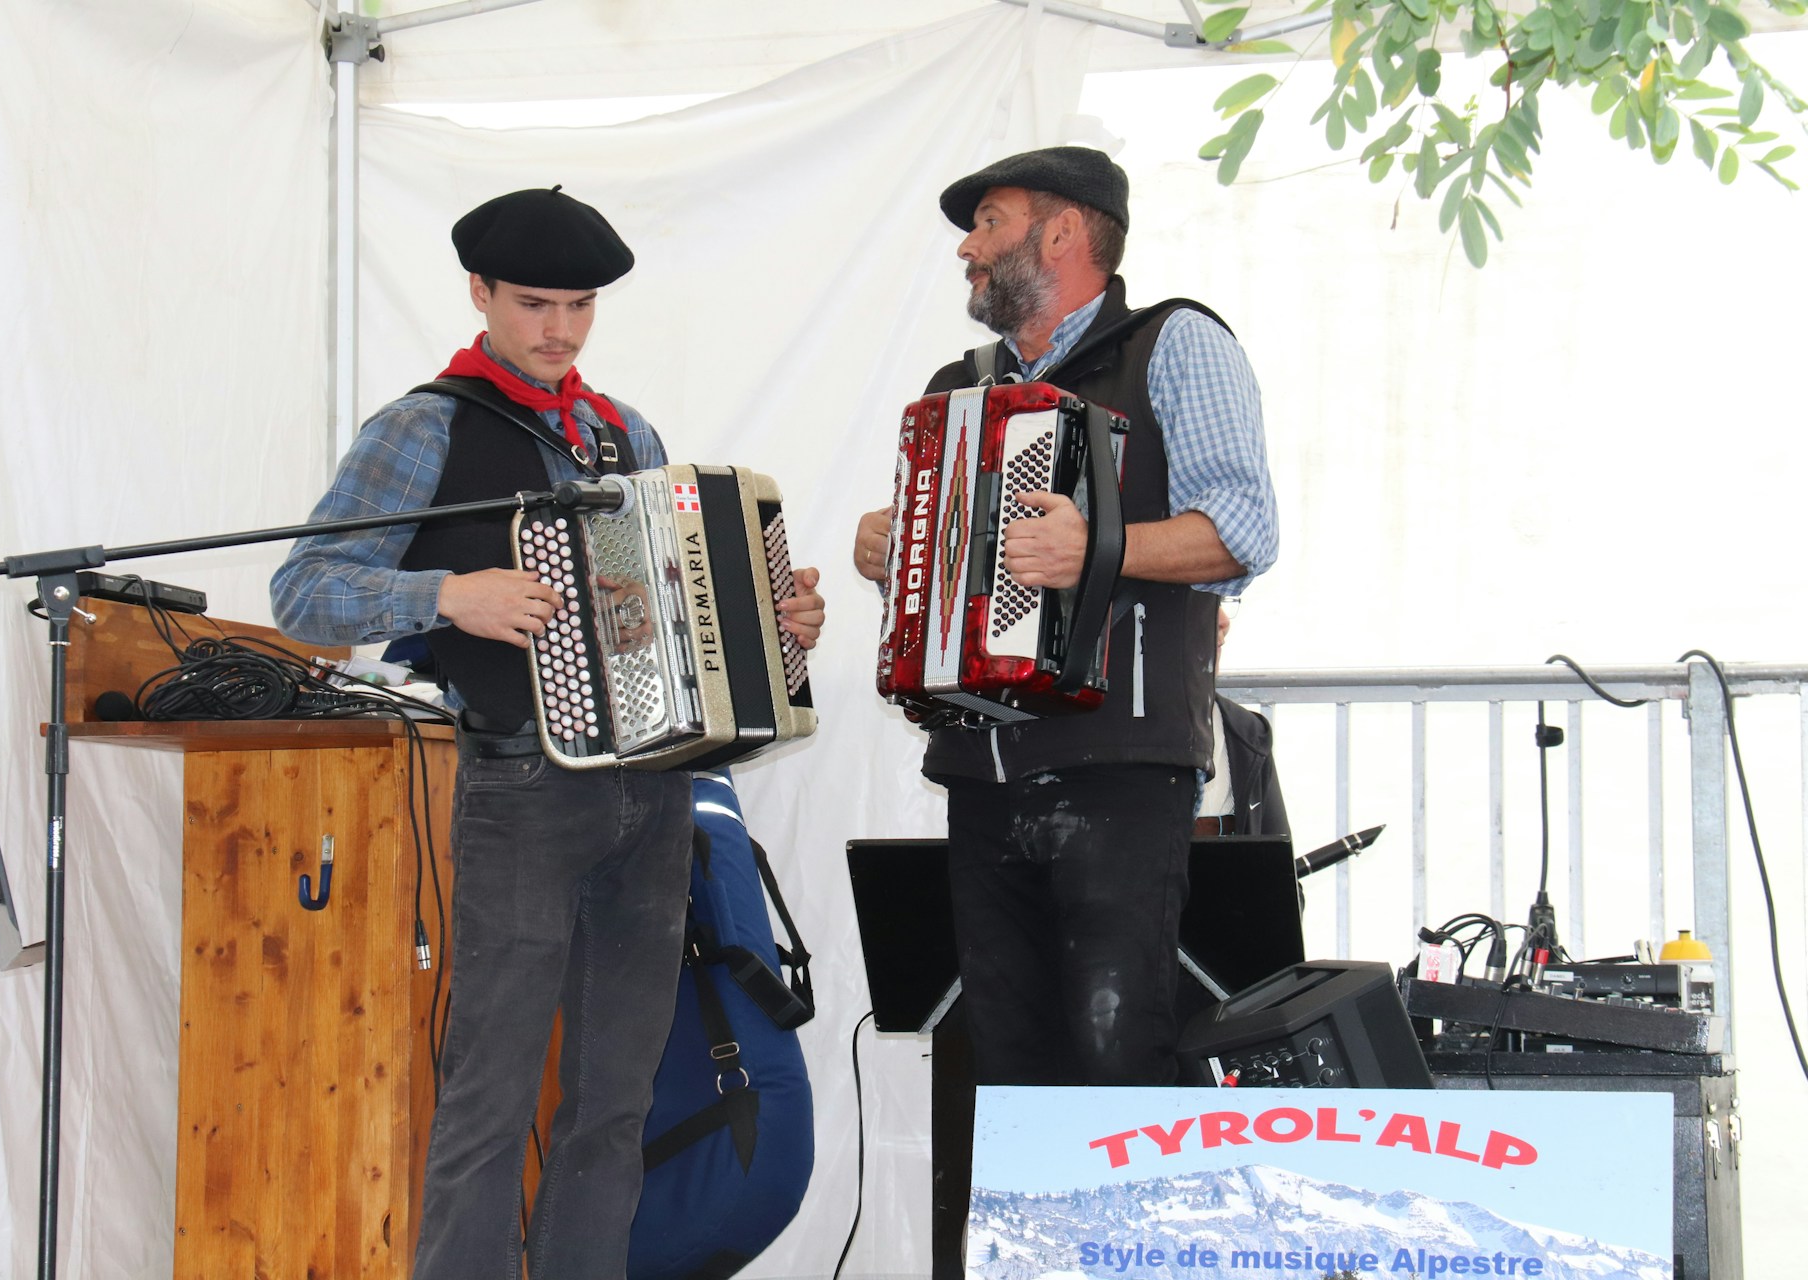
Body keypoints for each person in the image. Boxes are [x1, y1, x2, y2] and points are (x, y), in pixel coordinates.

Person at [271, 186, 825, 1279]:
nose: (558, 329)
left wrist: (780, 623)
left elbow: (682, 608)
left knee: (615, 1099)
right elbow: (303, 591)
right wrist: (448, 594)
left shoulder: (628, 432)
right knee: (489, 1094)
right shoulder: (424, 423)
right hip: (520, 790)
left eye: (578, 306)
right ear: (479, 294)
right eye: (533, 303)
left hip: (654, 794)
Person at [855, 146, 1277, 1088]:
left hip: (1120, 765)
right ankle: (1023, 1241)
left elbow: (1242, 532)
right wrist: (892, 546)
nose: (968, 246)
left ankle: (1124, 1239)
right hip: (983, 766)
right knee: (1003, 1060)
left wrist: (1100, 547)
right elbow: (944, 573)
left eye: (990, 222)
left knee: (1116, 1054)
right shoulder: (957, 383)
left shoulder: (1176, 342)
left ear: (1062, 232)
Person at [1201, 607, 1289, 837]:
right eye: (1205, 601)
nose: (1224, 621)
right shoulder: (1106, 729)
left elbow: (1274, 861)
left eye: (1221, 600)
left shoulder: (1248, 732)